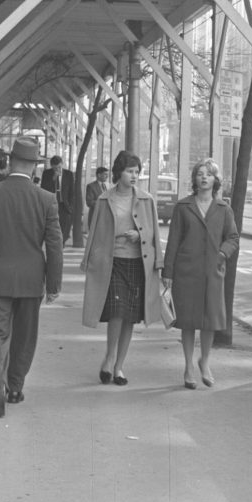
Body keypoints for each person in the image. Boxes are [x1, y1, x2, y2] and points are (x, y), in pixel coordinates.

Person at [0, 136, 63, 418]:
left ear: (10, 161)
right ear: (34, 166)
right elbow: (55, 245)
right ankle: (15, 387)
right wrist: (54, 284)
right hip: (31, 280)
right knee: (24, 337)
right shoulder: (46, 199)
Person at [80, 150, 163, 387]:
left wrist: (139, 234)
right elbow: (93, 231)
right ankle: (109, 357)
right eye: (129, 171)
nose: (134, 175)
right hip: (112, 261)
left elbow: (154, 234)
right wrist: (87, 261)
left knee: (130, 317)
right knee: (117, 312)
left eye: (137, 171)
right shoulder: (105, 200)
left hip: (138, 262)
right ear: (119, 173)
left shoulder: (147, 200)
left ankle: (119, 367)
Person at [161, 158, 239, 389]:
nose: (204, 177)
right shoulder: (183, 207)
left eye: (209, 174)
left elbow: (233, 238)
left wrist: (223, 254)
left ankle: (205, 361)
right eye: (200, 174)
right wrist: (168, 272)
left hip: (213, 272)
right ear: (194, 179)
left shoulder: (224, 209)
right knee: (188, 321)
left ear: (215, 180)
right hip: (186, 272)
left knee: (209, 321)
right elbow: (173, 240)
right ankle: (188, 366)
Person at [40, 154, 74, 244]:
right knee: (52, 226)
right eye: (55, 168)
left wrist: (71, 206)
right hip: (52, 204)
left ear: (62, 164)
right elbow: (43, 189)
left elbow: (72, 191)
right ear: (51, 166)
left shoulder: (69, 174)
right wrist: (53, 179)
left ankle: (61, 244)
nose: (57, 170)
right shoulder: (46, 173)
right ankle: (54, 243)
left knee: (64, 227)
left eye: (59, 167)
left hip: (64, 205)